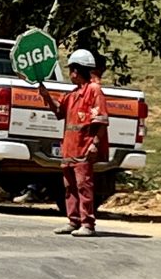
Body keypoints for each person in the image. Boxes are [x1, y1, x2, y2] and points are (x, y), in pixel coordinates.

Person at [38, 49, 109, 237]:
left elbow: (101, 121)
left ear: (78, 70)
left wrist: (94, 144)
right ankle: (73, 220)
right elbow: (59, 111)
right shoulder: (73, 94)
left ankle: (87, 223)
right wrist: (46, 96)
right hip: (69, 149)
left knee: (84, 186)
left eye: (72, 70)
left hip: (84, 149)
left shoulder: (94, 91)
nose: (70, 74)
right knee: (69, 187)